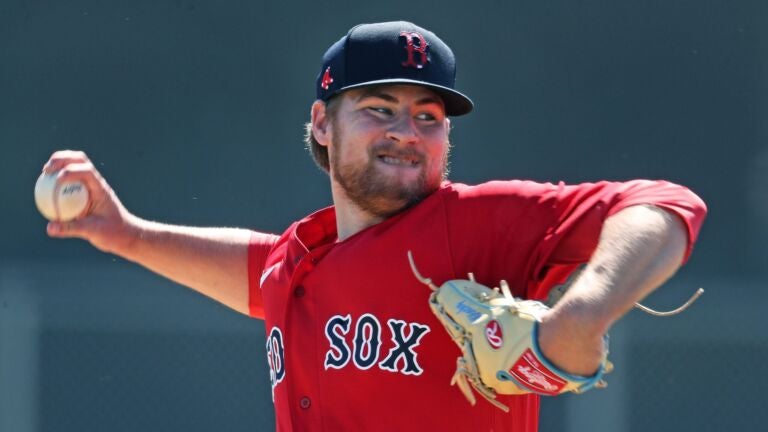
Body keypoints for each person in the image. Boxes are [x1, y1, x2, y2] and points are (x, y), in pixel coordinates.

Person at [42, 21, 707, 432]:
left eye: (429, 116)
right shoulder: (300, 258)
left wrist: (581, 316)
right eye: (381, 108)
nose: (407, 133)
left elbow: (667, 205)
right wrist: (126, 233)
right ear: (323, 124)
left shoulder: (477, 228)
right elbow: (258, 271)